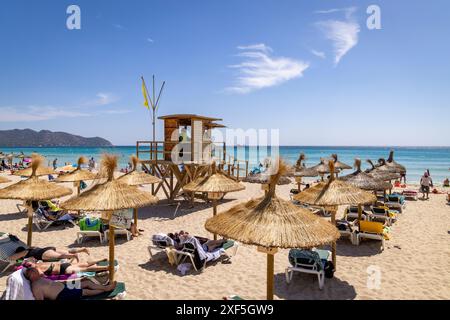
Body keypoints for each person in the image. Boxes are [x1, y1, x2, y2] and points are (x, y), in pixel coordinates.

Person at [24, 267, 116, 300]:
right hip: (62, 295)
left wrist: (70, 281)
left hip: (64, 287)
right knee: (85, 291)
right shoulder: (35, 287)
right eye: (33, 271)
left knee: (86, 282)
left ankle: (104, 287)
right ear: (31, 276)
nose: (36, 270)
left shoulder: (40, 278)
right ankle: (107, 289)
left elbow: (56, 282)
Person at [23, 258, 109, 276]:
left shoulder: (37, 269)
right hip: (63, 265)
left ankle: (106, 267)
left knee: (85, 268)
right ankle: (101, 260)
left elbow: (43, 276)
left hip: (64, 269)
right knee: (85, 265)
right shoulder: (39, 263)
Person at [9, 246, 89, 263]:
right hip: (48, 248)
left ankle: (74, 256)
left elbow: (11, 258)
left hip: (42, 253)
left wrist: (15, 255)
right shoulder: (31, 248)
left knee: (59, 257)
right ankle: (82, 249)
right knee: (67, 251)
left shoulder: (25, 252)